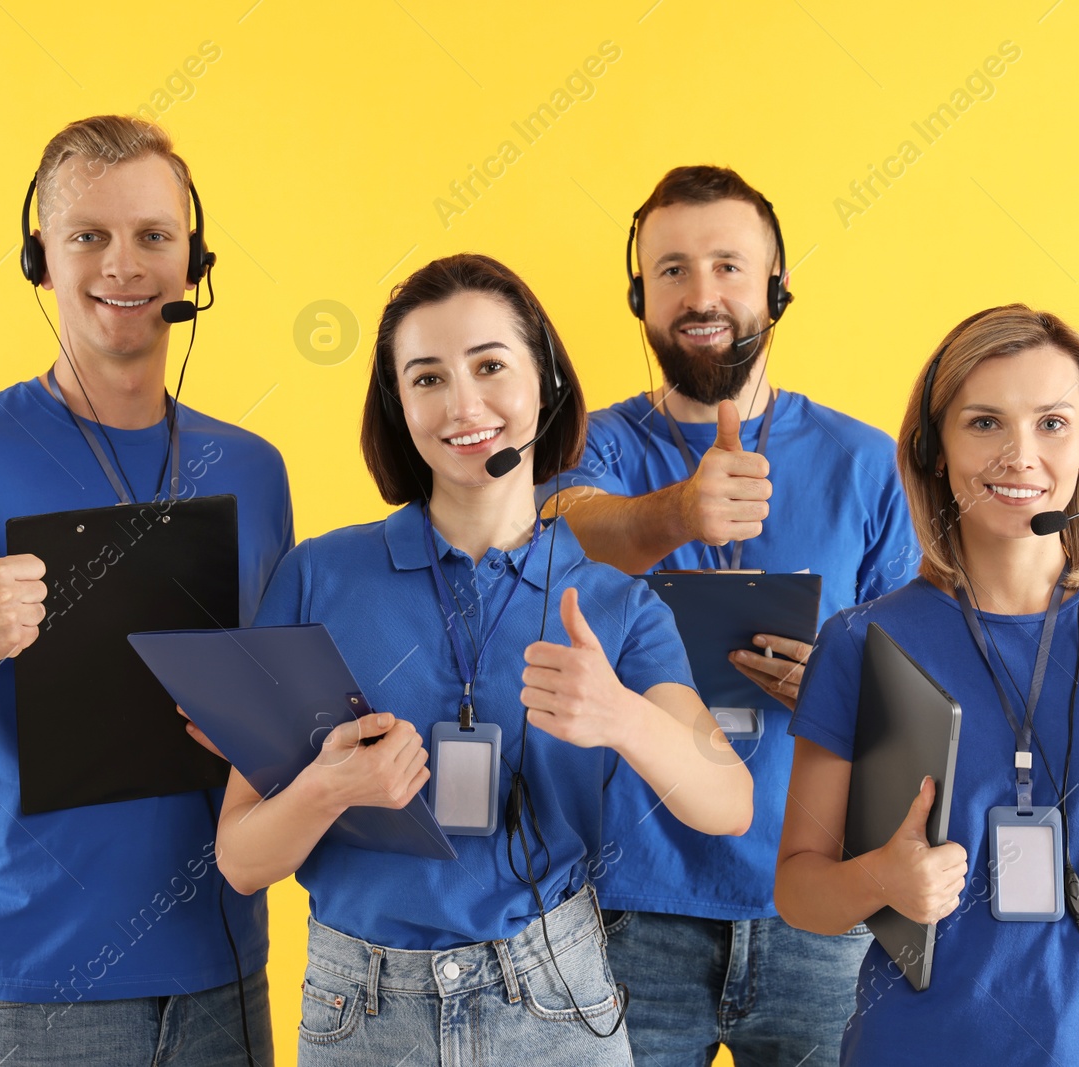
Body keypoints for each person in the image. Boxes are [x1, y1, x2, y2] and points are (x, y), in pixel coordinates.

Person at [0, 115, 291, 1064]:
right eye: (88, 236)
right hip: (26, 1004)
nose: (124, 264)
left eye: (154, 236)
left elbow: (283, 720)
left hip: (224, 988)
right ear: (38, 259)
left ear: (195, 261)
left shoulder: (254, 470)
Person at [210, 253, 752, 1066]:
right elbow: (241, 859)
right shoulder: (317, 578)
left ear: (547, 382)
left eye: (490, 365)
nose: (464, 405)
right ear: (399, 406)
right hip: (361, 1008)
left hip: (555, 1000)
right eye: (426, 379)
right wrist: (328, 789)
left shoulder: (616, 605)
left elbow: (728, 800)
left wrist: (623, 716)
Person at [776, 304, 1079, 1063]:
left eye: (1054, 423)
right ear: (934, 449)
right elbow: (799, 889)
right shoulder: (860, 641)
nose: (1019, 455)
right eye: (985, 423)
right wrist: (881, 878)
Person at [538, 165, 917, 1065]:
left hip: (820, 911)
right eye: (671, 270)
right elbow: (556, 530)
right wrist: (677, 512)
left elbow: (920, 689)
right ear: (639, 295)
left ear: (777, 287)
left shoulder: (869, 465)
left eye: (727, 266)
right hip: (631, 910)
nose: (700, 293)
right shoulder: (588, 444)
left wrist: (843, 691)